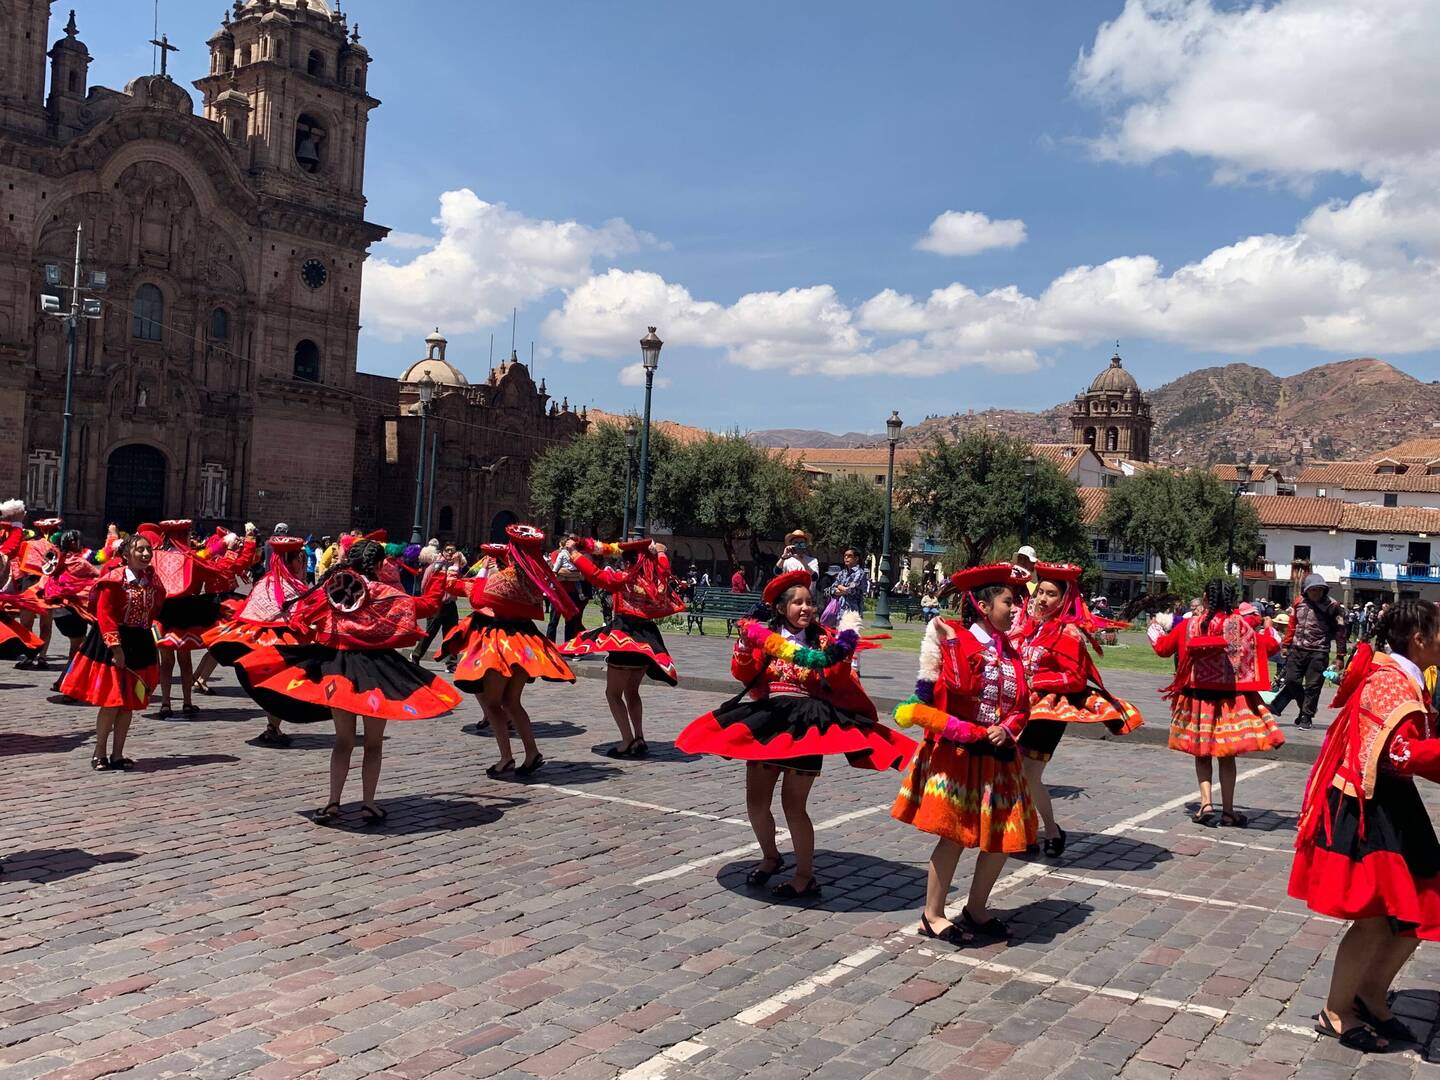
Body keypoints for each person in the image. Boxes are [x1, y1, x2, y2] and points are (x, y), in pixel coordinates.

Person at [677, 570, 916, 898]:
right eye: (798, 603)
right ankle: (771, 857)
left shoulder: (824, 640)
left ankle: (805, 875)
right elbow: (743, 672)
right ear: (781, 608)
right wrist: (746, 643)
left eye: (810, 602)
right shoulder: (766, 637)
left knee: (793, 803)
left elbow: (836, 675)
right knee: (756, 801)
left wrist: (845, 651)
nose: (806, 608)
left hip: (807, 725)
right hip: (769, 722)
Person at [1288, 600, 1440, 1054]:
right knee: (1375, 921)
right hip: (1365, 807)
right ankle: (1336, 1010)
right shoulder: (1392, 684)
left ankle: (1372, 994)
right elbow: (1401, 754)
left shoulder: (1407, 678)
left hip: (1390, 803)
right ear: (1420, 639)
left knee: (1420, 910)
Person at [236, 538, 460, 826]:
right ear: (380, 565)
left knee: (343, 741)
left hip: (340, 669)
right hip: (378, 672)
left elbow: (302, 616)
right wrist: (442, 573)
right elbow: (428, 606)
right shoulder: (386, 594)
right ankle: (368, 804)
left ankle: (332, 803)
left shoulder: (334, 589)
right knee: (373, 744)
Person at [891, 563, 1037, 945]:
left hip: (1000, 756)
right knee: (953, 833)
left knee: (1004, 835)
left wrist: (1008, 728)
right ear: (984, 605)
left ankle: (976, 907)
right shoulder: (954, 641)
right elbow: (941, 695)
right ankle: (933, 913)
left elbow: (1023, 705)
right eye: (1009, 602)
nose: (1016, 609)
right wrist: (969, 730)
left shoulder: (1012, 651)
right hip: (959, 755)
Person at [1014, 562, 1144, 857]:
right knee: (1016, 773)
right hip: (1024, 707)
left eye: (1050, 594)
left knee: (1028, 774)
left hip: (1049, 713)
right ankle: (1031, 830)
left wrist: (1036, 680)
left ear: (1064, 600)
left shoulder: (1068, 633)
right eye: (1040, 593)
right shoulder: (1032, 627)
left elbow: (1074, 680)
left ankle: (1049, 830)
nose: (1043, 599)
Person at [443, 525, 577, 779]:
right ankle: (531, 752)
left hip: (502, 642)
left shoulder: (507, 578)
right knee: (512, 701)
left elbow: (477, 597)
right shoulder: (535, 579)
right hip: (525, 641)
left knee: (493, 703)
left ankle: (506, 757)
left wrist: (461, 573)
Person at [1150, 579, 1285, 827]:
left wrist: (1155, 628)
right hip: (1229, 700)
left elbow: (1162, 649)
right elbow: (1271, 645)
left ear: (1204, 597)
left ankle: (1206, 803)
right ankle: (1229, 810)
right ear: (1231, 600)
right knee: (1226, 754)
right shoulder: (1239, 626)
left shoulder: (1191, 625)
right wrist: (1269, 628)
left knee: (1201, 753)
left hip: (1196, 697)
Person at [202, 534, 330, 746]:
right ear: (290, 561)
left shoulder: (280, 584)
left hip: (279, 645)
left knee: (278, 688)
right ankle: (273, 727)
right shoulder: (280, 585)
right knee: (278, 687)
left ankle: (273, 727)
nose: (302, 562)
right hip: (277, 646)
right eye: (299, 559)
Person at [564, 536, 685, 758]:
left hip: (626, 637)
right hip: (647, 638)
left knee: (613, 693)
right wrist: (660, 552)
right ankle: (639, 737)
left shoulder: (624, 577)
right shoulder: (654, 580)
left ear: (626, 560)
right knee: (632, 692)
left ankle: (627, 740)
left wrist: (574, 553)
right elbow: (664, 566)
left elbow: (595, 575)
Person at [59, 533, 166, 771]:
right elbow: (105, 616)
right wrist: (116, 649)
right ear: (127, 554)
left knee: (128, 703)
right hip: (114, 643)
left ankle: (118, 754)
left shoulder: (151, 580)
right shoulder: (114, 580)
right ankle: (100, 752)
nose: (146, 554)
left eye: (148, 549)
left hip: (140, 642)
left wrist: (153, 634)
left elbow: (157, 607)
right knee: (111, 701)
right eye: (140, 550)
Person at [151, 520, 255, 719]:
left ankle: (165, 703)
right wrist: (233, 549)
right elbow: (223, 570)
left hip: (161, 615)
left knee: (166, 661)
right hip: (186, 614)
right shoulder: (190, 558)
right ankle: (187, 702)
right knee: (184, 659)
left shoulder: (155, 557)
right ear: (184, 535)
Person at [1271, 573, 1348, 730]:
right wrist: (1285, 645)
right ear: (1306, 591)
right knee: (1292, 680)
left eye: (1320, 590)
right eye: (1313, 590)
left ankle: (1306, 716)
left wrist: (1340, 655)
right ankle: (1305, 708)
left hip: (1318, 651)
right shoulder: (1299, 603)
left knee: (1313, 685)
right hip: (1297, 649)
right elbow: (1292, 624)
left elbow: (1340, 631)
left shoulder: (1332, 607)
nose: (1316, 593)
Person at [409, 545, 464, 668]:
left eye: (452, 550)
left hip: (450, 604)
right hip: (437, 605)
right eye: (447, 550)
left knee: (452, 634)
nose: (450, 553)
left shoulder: (455, 567)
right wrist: (428, 599)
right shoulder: (434, 566)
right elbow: (425, 583)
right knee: (430, 632)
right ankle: (416, 655)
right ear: (442, 552)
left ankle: (451, 663)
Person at [545, 536, 589, 644]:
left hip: (572, 592)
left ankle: (567, 646)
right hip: (558, 592)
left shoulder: (576, 554)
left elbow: (581, 575)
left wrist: (570, 574)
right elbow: (557, 572)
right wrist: (574, 574)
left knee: (570, 621)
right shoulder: (556, 553)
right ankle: (550, 645)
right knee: (554, 621)